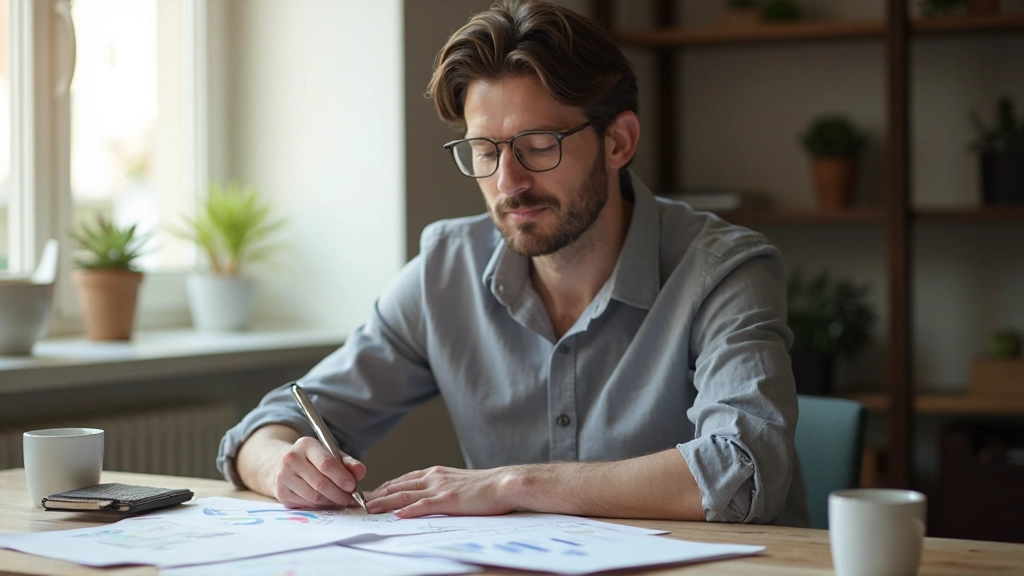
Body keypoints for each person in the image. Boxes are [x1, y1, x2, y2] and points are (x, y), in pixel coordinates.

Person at [217, 0, 807, 526]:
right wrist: (282, 467)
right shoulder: (445, 269)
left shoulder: (724, 272)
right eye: (483, 150)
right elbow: (269, 427)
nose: (507, 182)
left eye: (538, 146)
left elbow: (743, 470)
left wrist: (510, 484)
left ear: (619, 143)